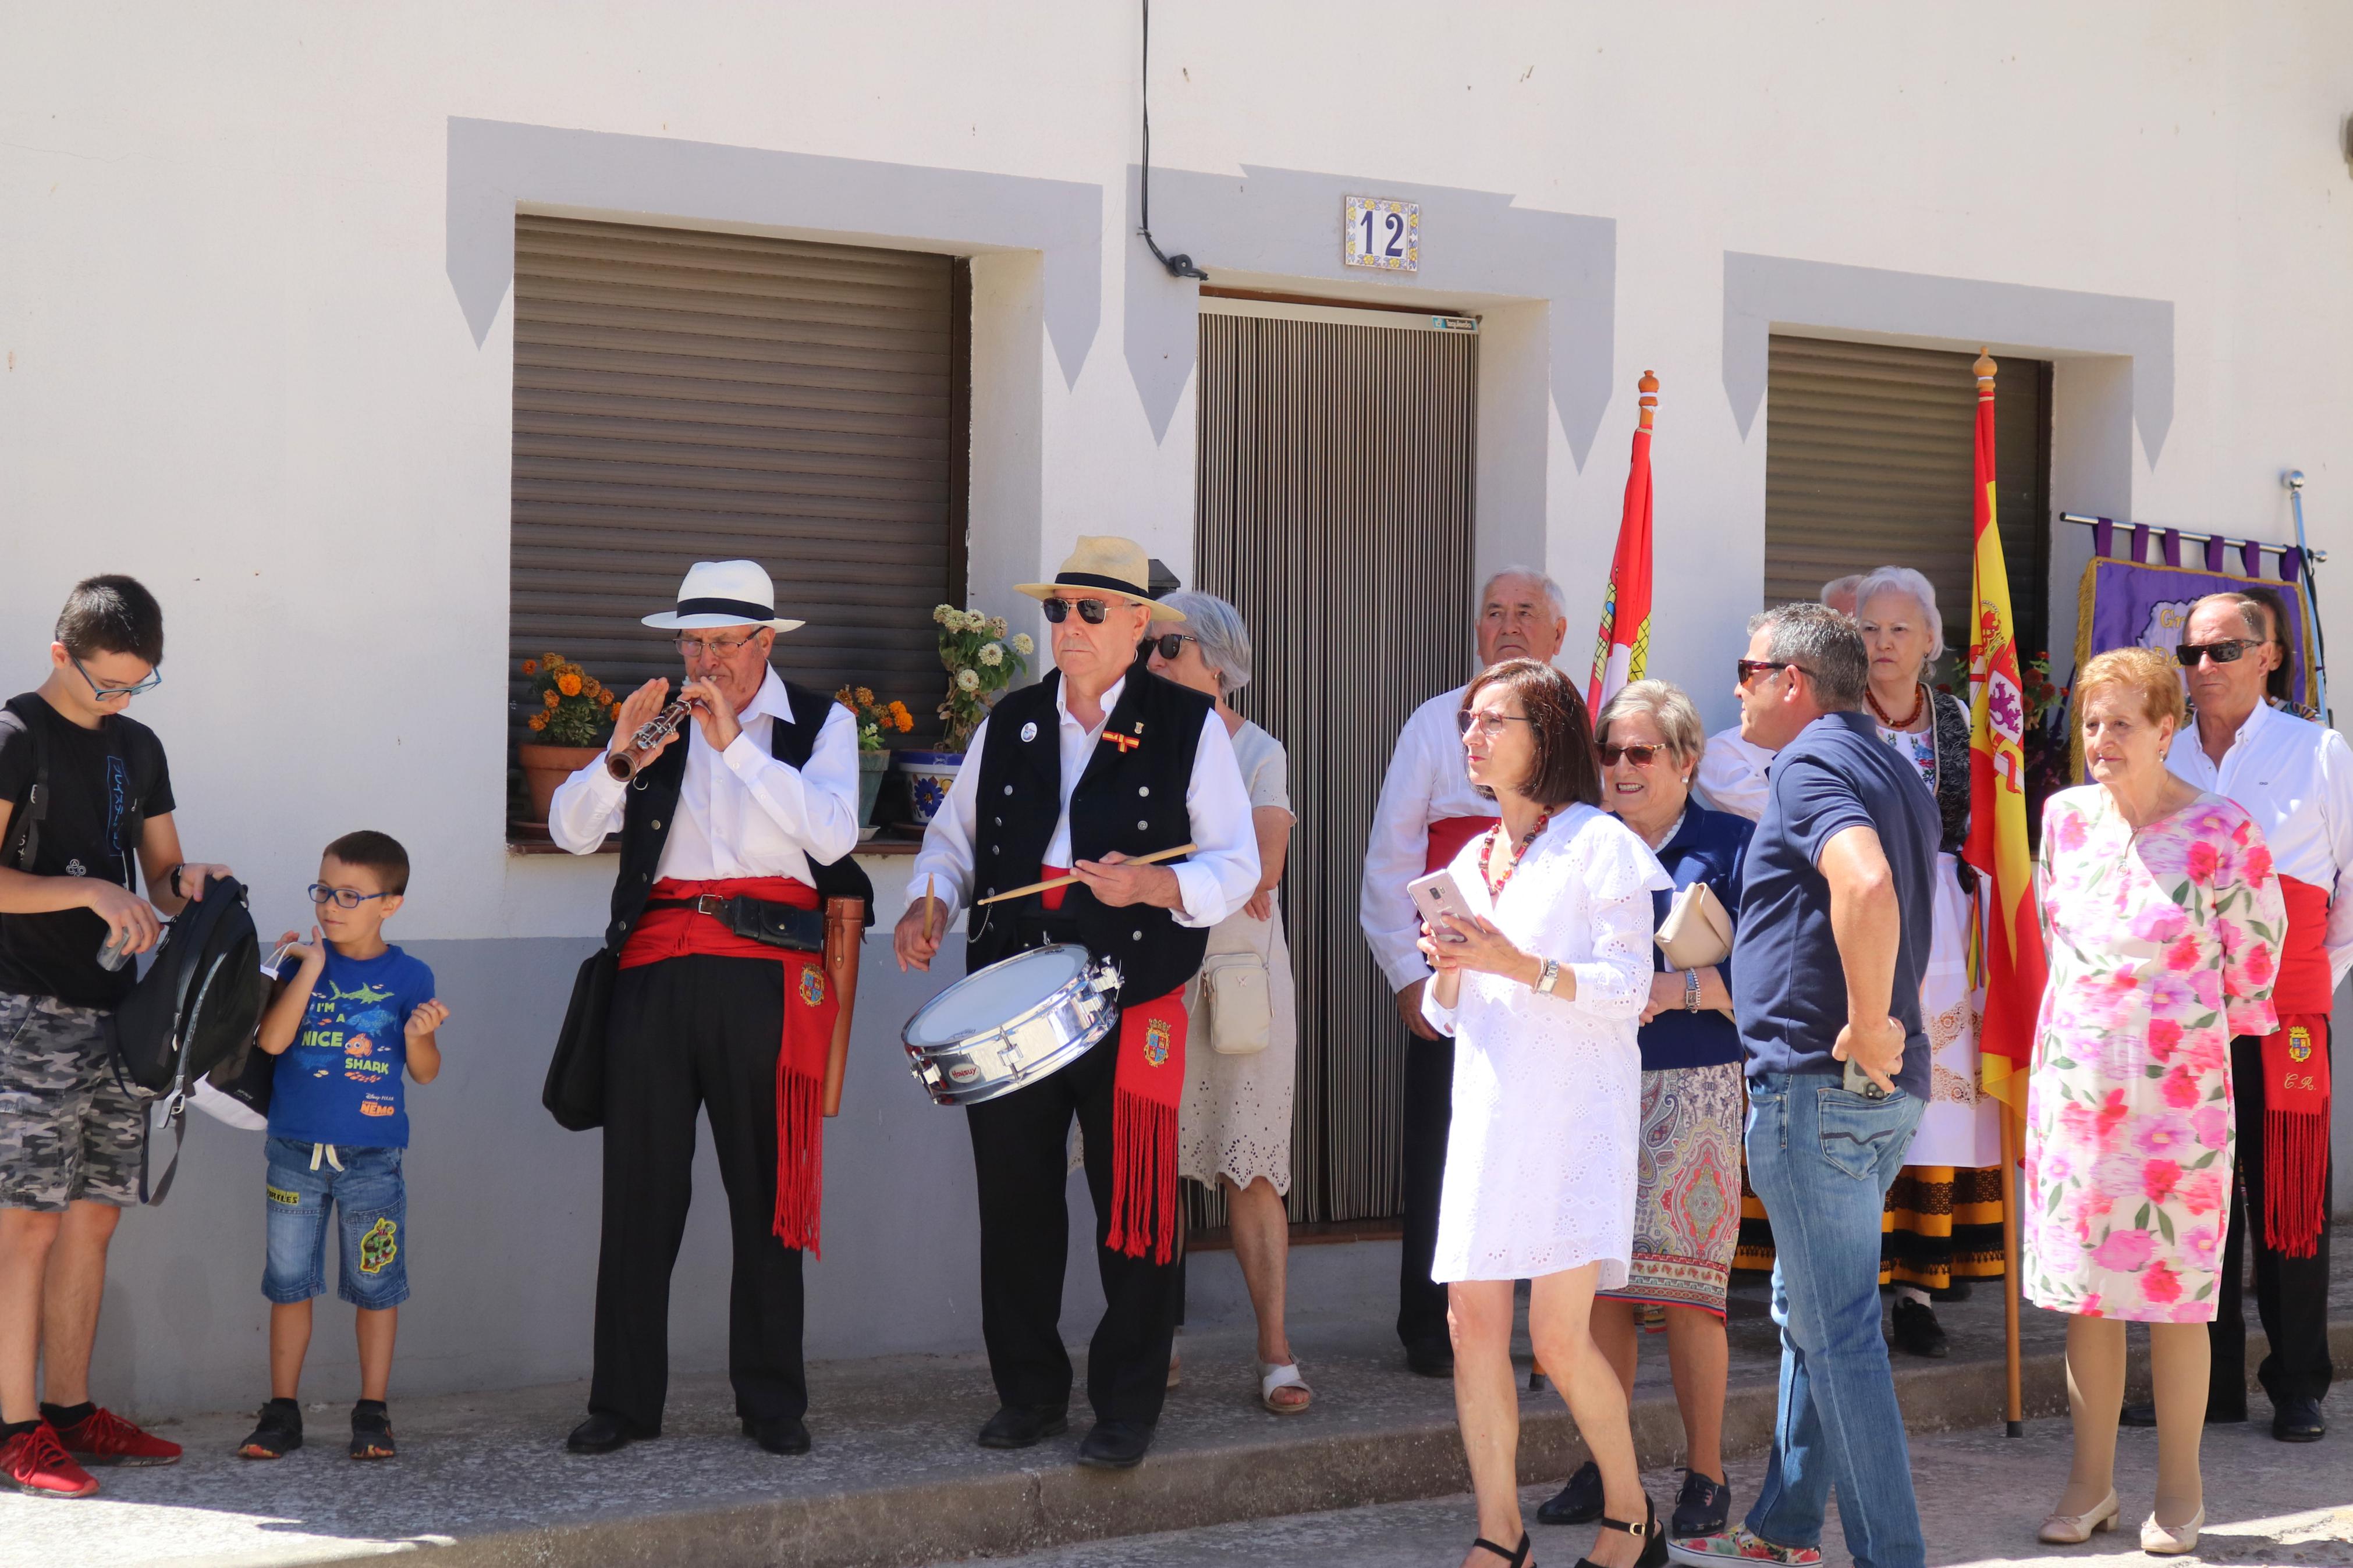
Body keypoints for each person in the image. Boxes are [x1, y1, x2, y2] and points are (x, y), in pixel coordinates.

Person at [895, 536, 1258, 1470]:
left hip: (1132, 990)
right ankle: (1027, 1392)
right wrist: (930, 899)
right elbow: (950, 839)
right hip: (1012, 990)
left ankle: (1126, 1405)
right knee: (1013, 1198)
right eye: (1058, 609)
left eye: (1091, 611)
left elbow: (1234, 863)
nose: (1068, 627)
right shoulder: (1010, 720)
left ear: (1141, 626)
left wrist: (1155, 889)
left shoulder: (1189, 725)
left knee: (1132, 1205)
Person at [548, 559, 870, 1458]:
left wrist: (735, 746)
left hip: (767, 974)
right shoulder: (652, 721)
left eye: (721, 642)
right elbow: (573, 828)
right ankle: (622, 1400)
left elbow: (835, 834)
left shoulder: (822, 722)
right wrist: (620, 759)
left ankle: (771, 1400)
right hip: (654, 971)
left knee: (766, 1194)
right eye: (690, 640)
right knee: (639, 1194)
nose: (702, 658)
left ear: (764, 642)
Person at [1674, 602, 1939, 1568]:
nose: (1735, 685)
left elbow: (1863, 886)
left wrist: (1867, 1019)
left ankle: (1890, 1555)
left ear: (1792, 681)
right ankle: (1785, 1528)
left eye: (1747, 668)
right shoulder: (1888, 765)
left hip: (1818, 1086)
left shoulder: (1811, 762)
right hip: (1869, 1094)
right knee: (1807, 1310)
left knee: (1838, 1336)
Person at [2024, 646, 2284, 1556]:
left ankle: (2179, 1492)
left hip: (2178, 1103)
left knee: (2176, 1300)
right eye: (2090, 722)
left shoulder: (2223, 830)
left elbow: (2255, 965)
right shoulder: (2060, 820)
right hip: (2077, 1092)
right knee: (2085, 1300)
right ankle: (2087, 1485)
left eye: (2121, 722)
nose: (2099, 739)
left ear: (2167, 729)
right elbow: (2056, 939)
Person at [1415, 659, 1670, 1568]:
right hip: (1487, 1110)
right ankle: (1500, 1530)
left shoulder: (1598, 842)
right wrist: (1449, 962)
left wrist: (1510, 960)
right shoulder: (1463, 860)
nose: (1473, 736)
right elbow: (1445, 1013)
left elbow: (1628, 985)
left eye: (1494, 720)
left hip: (1571, 1112)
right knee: (1468, 1324)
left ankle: (1634, 1517)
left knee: (1558, 1337)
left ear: (1548, 731)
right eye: (1468, 723)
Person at [0, 575, 231, 1498]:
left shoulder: (139, 745)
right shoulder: (14, 736)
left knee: (94, 1218)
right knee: (27, 1226)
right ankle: (16, 1429)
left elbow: (164, 873)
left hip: (120, 1017)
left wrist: (189, 884)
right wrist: (89, 888)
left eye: (140, 684)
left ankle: (69, 1409)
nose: (123, 701)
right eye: (108, 684)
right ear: (63, 655)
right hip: (25, 1010)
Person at [1538, 681, 1749, 1545]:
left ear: (1685, 759)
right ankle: (1607, 1460)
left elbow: (1770, 982)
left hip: (1692, 1086)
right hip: (1590, 1082)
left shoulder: (1734, 845)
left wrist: (1680, 987)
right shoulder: (1577, 847)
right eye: (1608, 752)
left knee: (1692, 1293)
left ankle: (1706, 1470)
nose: (1620, 768)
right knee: (1599, 1290)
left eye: (1640, 752)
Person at [2143, 591, 2347, 1445]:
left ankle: (2295, 1380)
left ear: (2268, 655)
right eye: (2190, 653)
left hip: (2284, 1013)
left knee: (2286, 1199)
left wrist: (2309, 978)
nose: (2202, 669)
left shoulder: (2319, 751)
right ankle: (2207, 1382)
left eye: (2223, 650)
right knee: (2193, 1200)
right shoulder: (2160, 751)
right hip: (2181, 1017)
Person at [1362, 566, 1570, 1378]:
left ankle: (1551, 1332)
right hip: (1452, 986)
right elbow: (1388, 860)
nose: (1507, 625)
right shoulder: (1433, 723)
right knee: (1443, 1151)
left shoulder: (1583, 725)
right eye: (1493, 612)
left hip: (1549, 986)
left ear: (1557, 632)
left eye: (1525, 612)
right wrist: (1405, 977)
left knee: (1548, 1155)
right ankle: (1430, 1323)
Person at [1146, 591, 1308, 1414]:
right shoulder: (1132, 738)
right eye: (1148, 646)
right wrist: (1209, 860)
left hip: (1237, 982)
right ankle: (1154, 1339)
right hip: (1156, 975)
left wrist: (1164, 867)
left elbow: (1263, 866)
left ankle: (1275, 1350)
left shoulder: (1260, 750)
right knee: (1152, 1160)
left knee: (1249, 1167)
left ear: (1217, 663)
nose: (1150, 660)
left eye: (1166, 646)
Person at [236, 832, 448, 1464]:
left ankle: (372, 1409)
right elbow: (271, 1042)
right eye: (324, 890)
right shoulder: (299, 962)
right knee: (289, 1283)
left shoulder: (410, 975)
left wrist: (419, 1036)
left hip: (372, 1163)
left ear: (391, 904)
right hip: (294, 1157)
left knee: (375, 1284)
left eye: (351, 895)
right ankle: (281, 1411)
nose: (332, 905)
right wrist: (314, 969)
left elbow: (427, 1072)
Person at [1852, 567, 2004, 1357]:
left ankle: (1913, 1289)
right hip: (1856, 914)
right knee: (1858, 1087)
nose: (1881, 643)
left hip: (1942, 927)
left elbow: (1985, 816)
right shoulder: (1835, 713)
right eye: (1869, 628)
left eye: (1897, 629)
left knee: (1930, 1096)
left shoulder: (1953, 716)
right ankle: (1846, 1281)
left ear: (1929, 641)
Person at [1694, 576, 1856, 822]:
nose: (1738, 690)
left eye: (1748, 671)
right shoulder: (1724, 754)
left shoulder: (1883, 763)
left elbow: (1811, 827)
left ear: (1792, 683)